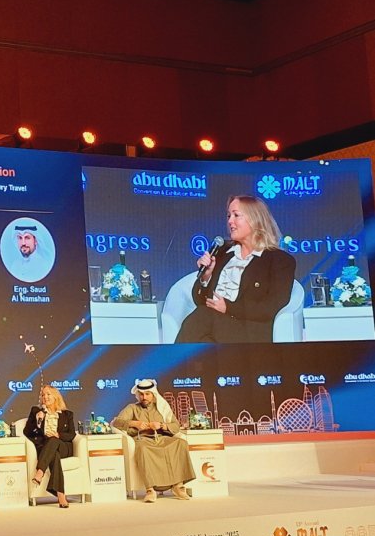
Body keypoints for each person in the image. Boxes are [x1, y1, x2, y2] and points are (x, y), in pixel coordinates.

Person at [175, 195, 296, 343]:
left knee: (202, 317)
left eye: (236, 215)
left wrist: (229, 308)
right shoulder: (222, 252)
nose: (230, 221)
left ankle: (168, 358)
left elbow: (272, 306)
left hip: (250, 331)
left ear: (255, 219)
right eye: (229, 216)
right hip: (213, 326)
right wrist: (206, 276)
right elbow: (199, 301)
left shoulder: (280, 260)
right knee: (202, 338)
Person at [112, 379, 194, 503]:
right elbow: (116, 422)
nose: (144, 397)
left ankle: (178, 486)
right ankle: (150, 490)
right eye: (141, 394)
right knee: (143, 449)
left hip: (161, 438)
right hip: (142, 439)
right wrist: (135, 423)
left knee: (180, 443)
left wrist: (162, 425)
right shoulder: (132, 408)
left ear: (153, 394)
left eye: (147, 394)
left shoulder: (161, 408)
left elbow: (176, 425)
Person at [23, 385, 76, 507]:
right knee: (54, 455)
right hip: (46, 447)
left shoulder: (67, 414)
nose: (45, 397)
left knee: (53, 440)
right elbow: (27, 432)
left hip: (63, 446)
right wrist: (38, 421)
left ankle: (40, 471)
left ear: (56, 397)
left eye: (48, 394)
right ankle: (61, 495)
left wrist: (58, 435)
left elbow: (71, 434)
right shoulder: (36, 412)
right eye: (43, 395)